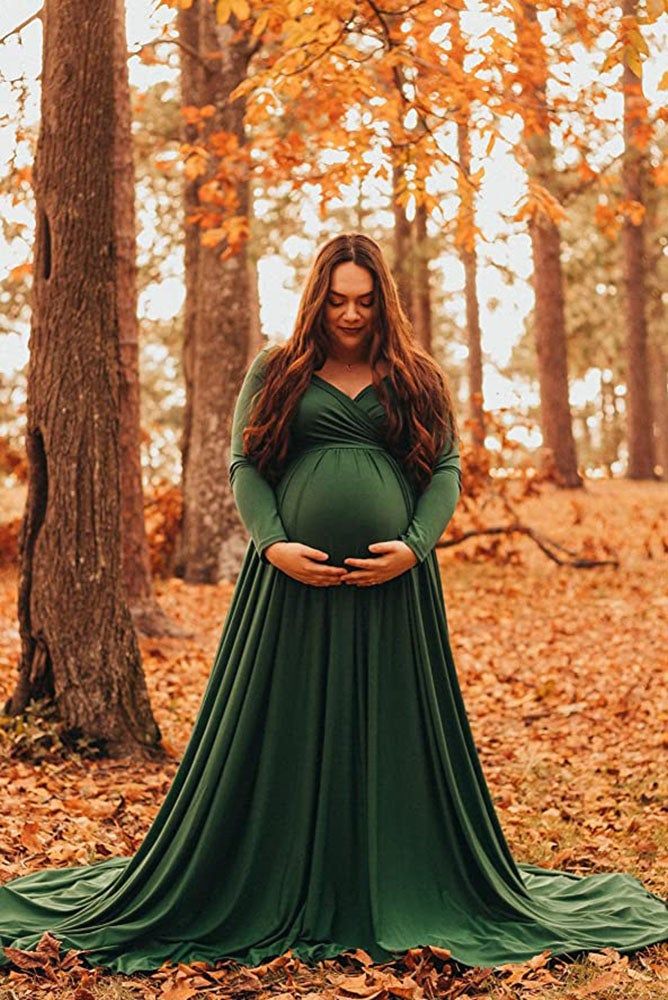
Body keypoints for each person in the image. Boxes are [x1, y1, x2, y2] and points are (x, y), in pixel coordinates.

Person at [0, 232, 667, 976]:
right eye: (338, 299)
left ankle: (396, 875)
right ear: (320, 295)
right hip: (286, 588)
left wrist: (413, 545)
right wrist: (273, 544)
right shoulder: (277, 370)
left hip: (396, 592)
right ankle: (278, 871)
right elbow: (244, 462)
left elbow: (443, 467)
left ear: (383, 297)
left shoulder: (416, 375)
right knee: (279, 727)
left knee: (391, 727)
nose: (351, 314)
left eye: (365, 299)